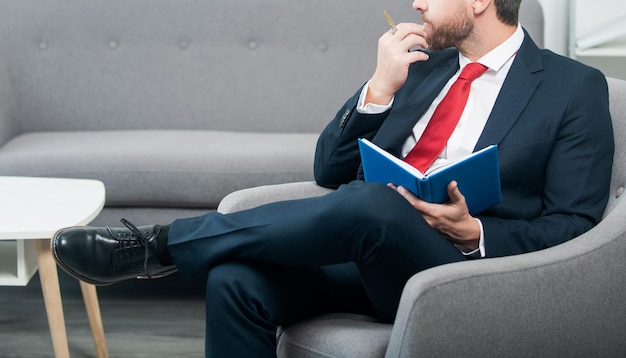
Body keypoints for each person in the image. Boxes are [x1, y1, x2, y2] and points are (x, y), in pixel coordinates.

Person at [52, 0, 614, 357]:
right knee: (235, 282)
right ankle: (170, 249)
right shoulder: (424, 66)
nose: (416, 4)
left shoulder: (573, 87)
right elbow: (328, 168)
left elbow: (575, 224)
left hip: (460, 275)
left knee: (373, 203)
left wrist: (476, 234)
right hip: (367, 252)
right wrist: (378, 89)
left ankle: (159, 246)